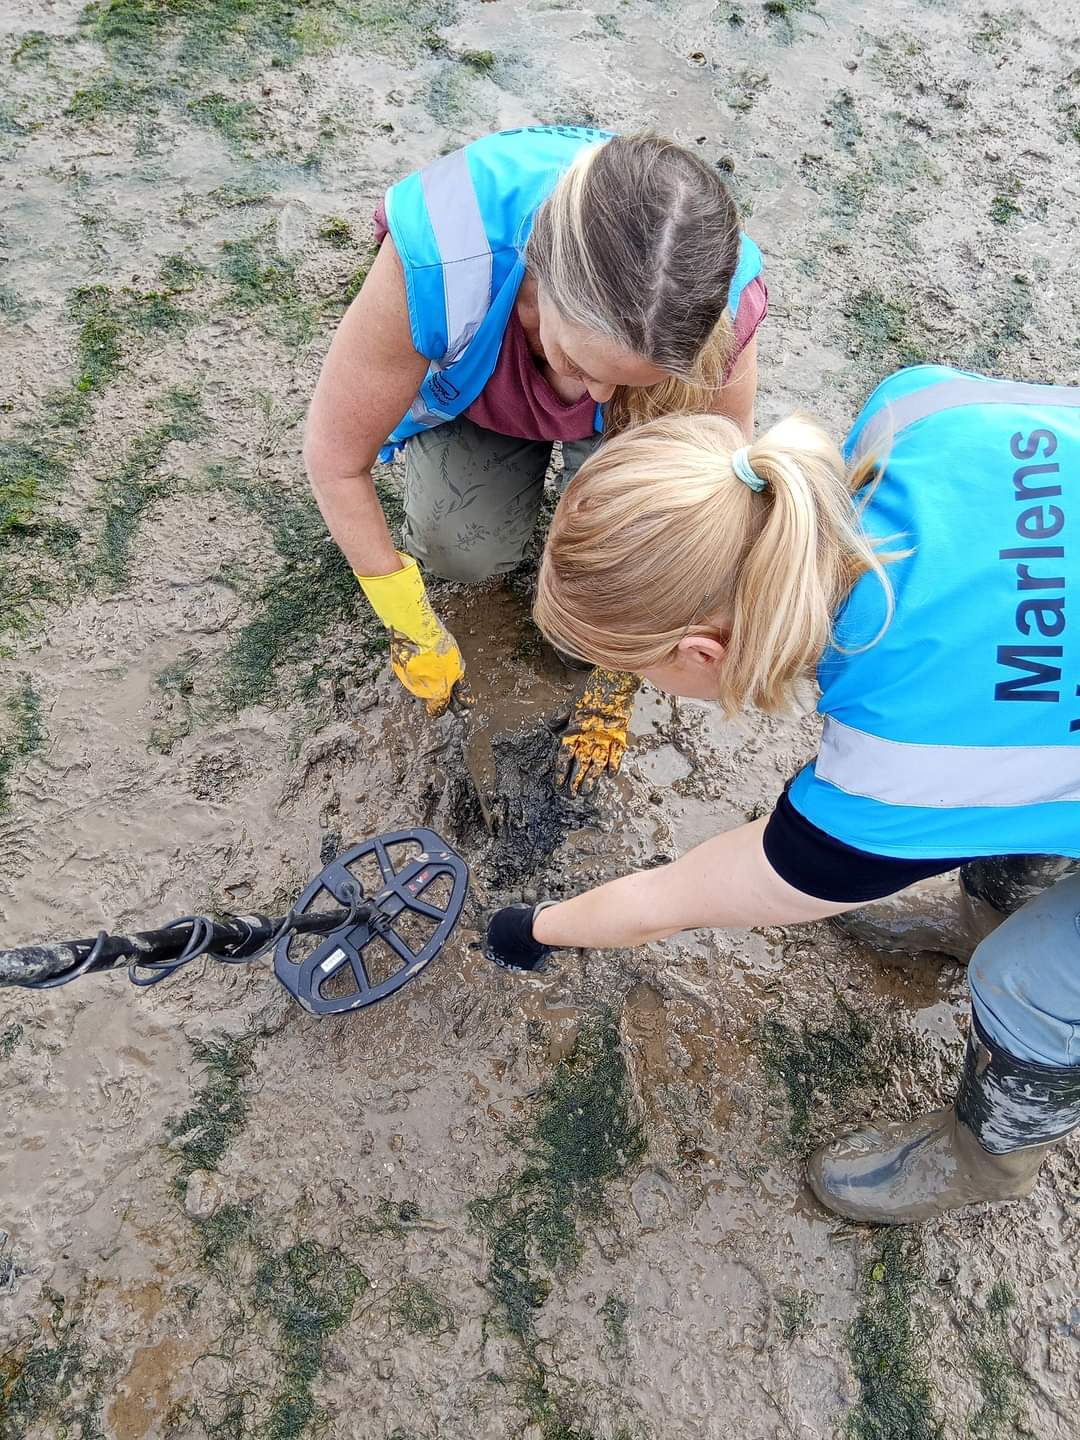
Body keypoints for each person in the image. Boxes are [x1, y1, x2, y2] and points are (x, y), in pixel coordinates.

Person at [484, 363, 1080, 1225]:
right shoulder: (911, 412)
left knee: (1027, 979)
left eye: (632, 670)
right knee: (1026, 761)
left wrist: (533, 928)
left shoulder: (897, 763)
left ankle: (988, 1158)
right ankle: (984, 909)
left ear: (700, 650)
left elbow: (672, 899)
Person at [304, 125, 767, 790]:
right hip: (486, 395)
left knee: (620, 577)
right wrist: (411, 623)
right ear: (536, 276)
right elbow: (334, 460)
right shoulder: (445, 254)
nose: (597, 399)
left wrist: (618, 670)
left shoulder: (717, 305)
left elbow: (712, 519)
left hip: (645, 389)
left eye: (626, 382)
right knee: (457, 549)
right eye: (576, 362)